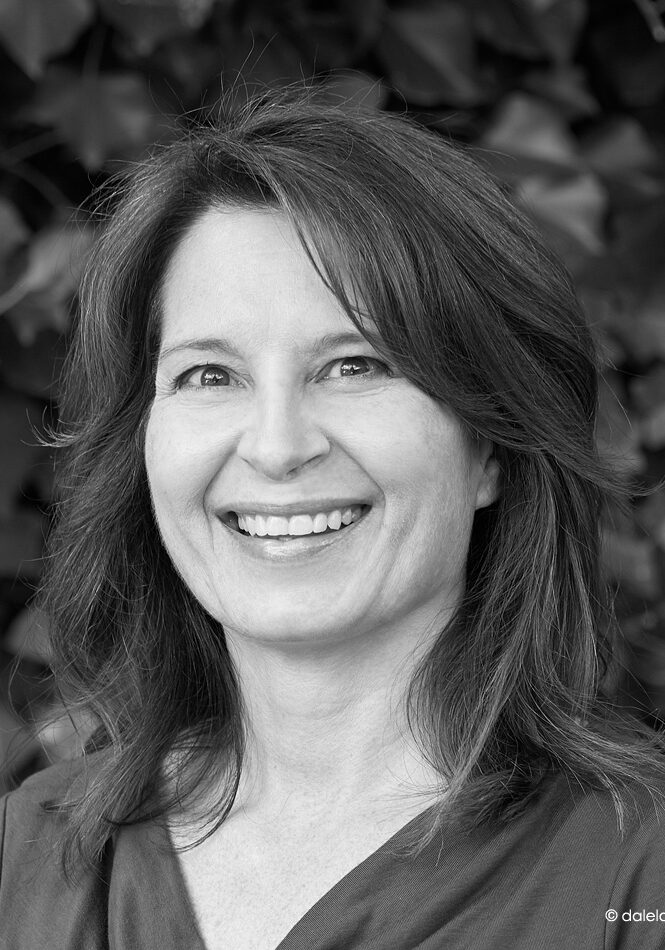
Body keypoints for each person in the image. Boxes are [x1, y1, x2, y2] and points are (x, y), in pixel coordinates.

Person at [1, 87, 664, 950]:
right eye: (210, 374)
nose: (276, 447)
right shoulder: (28, 856)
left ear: (491, 447)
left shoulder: (637, 874)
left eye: (355, 365)